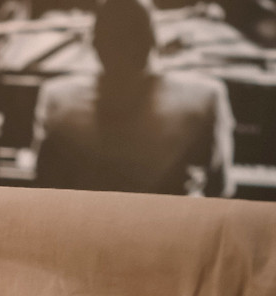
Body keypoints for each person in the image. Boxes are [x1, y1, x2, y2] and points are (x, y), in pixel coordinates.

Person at [32, 0, 235, 196]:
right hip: (164, 220)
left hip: (86, 218)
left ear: (95, 43)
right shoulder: (205, 98)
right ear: (153, 40)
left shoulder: (57, 98)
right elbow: (220, 189)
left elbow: (44, 181)